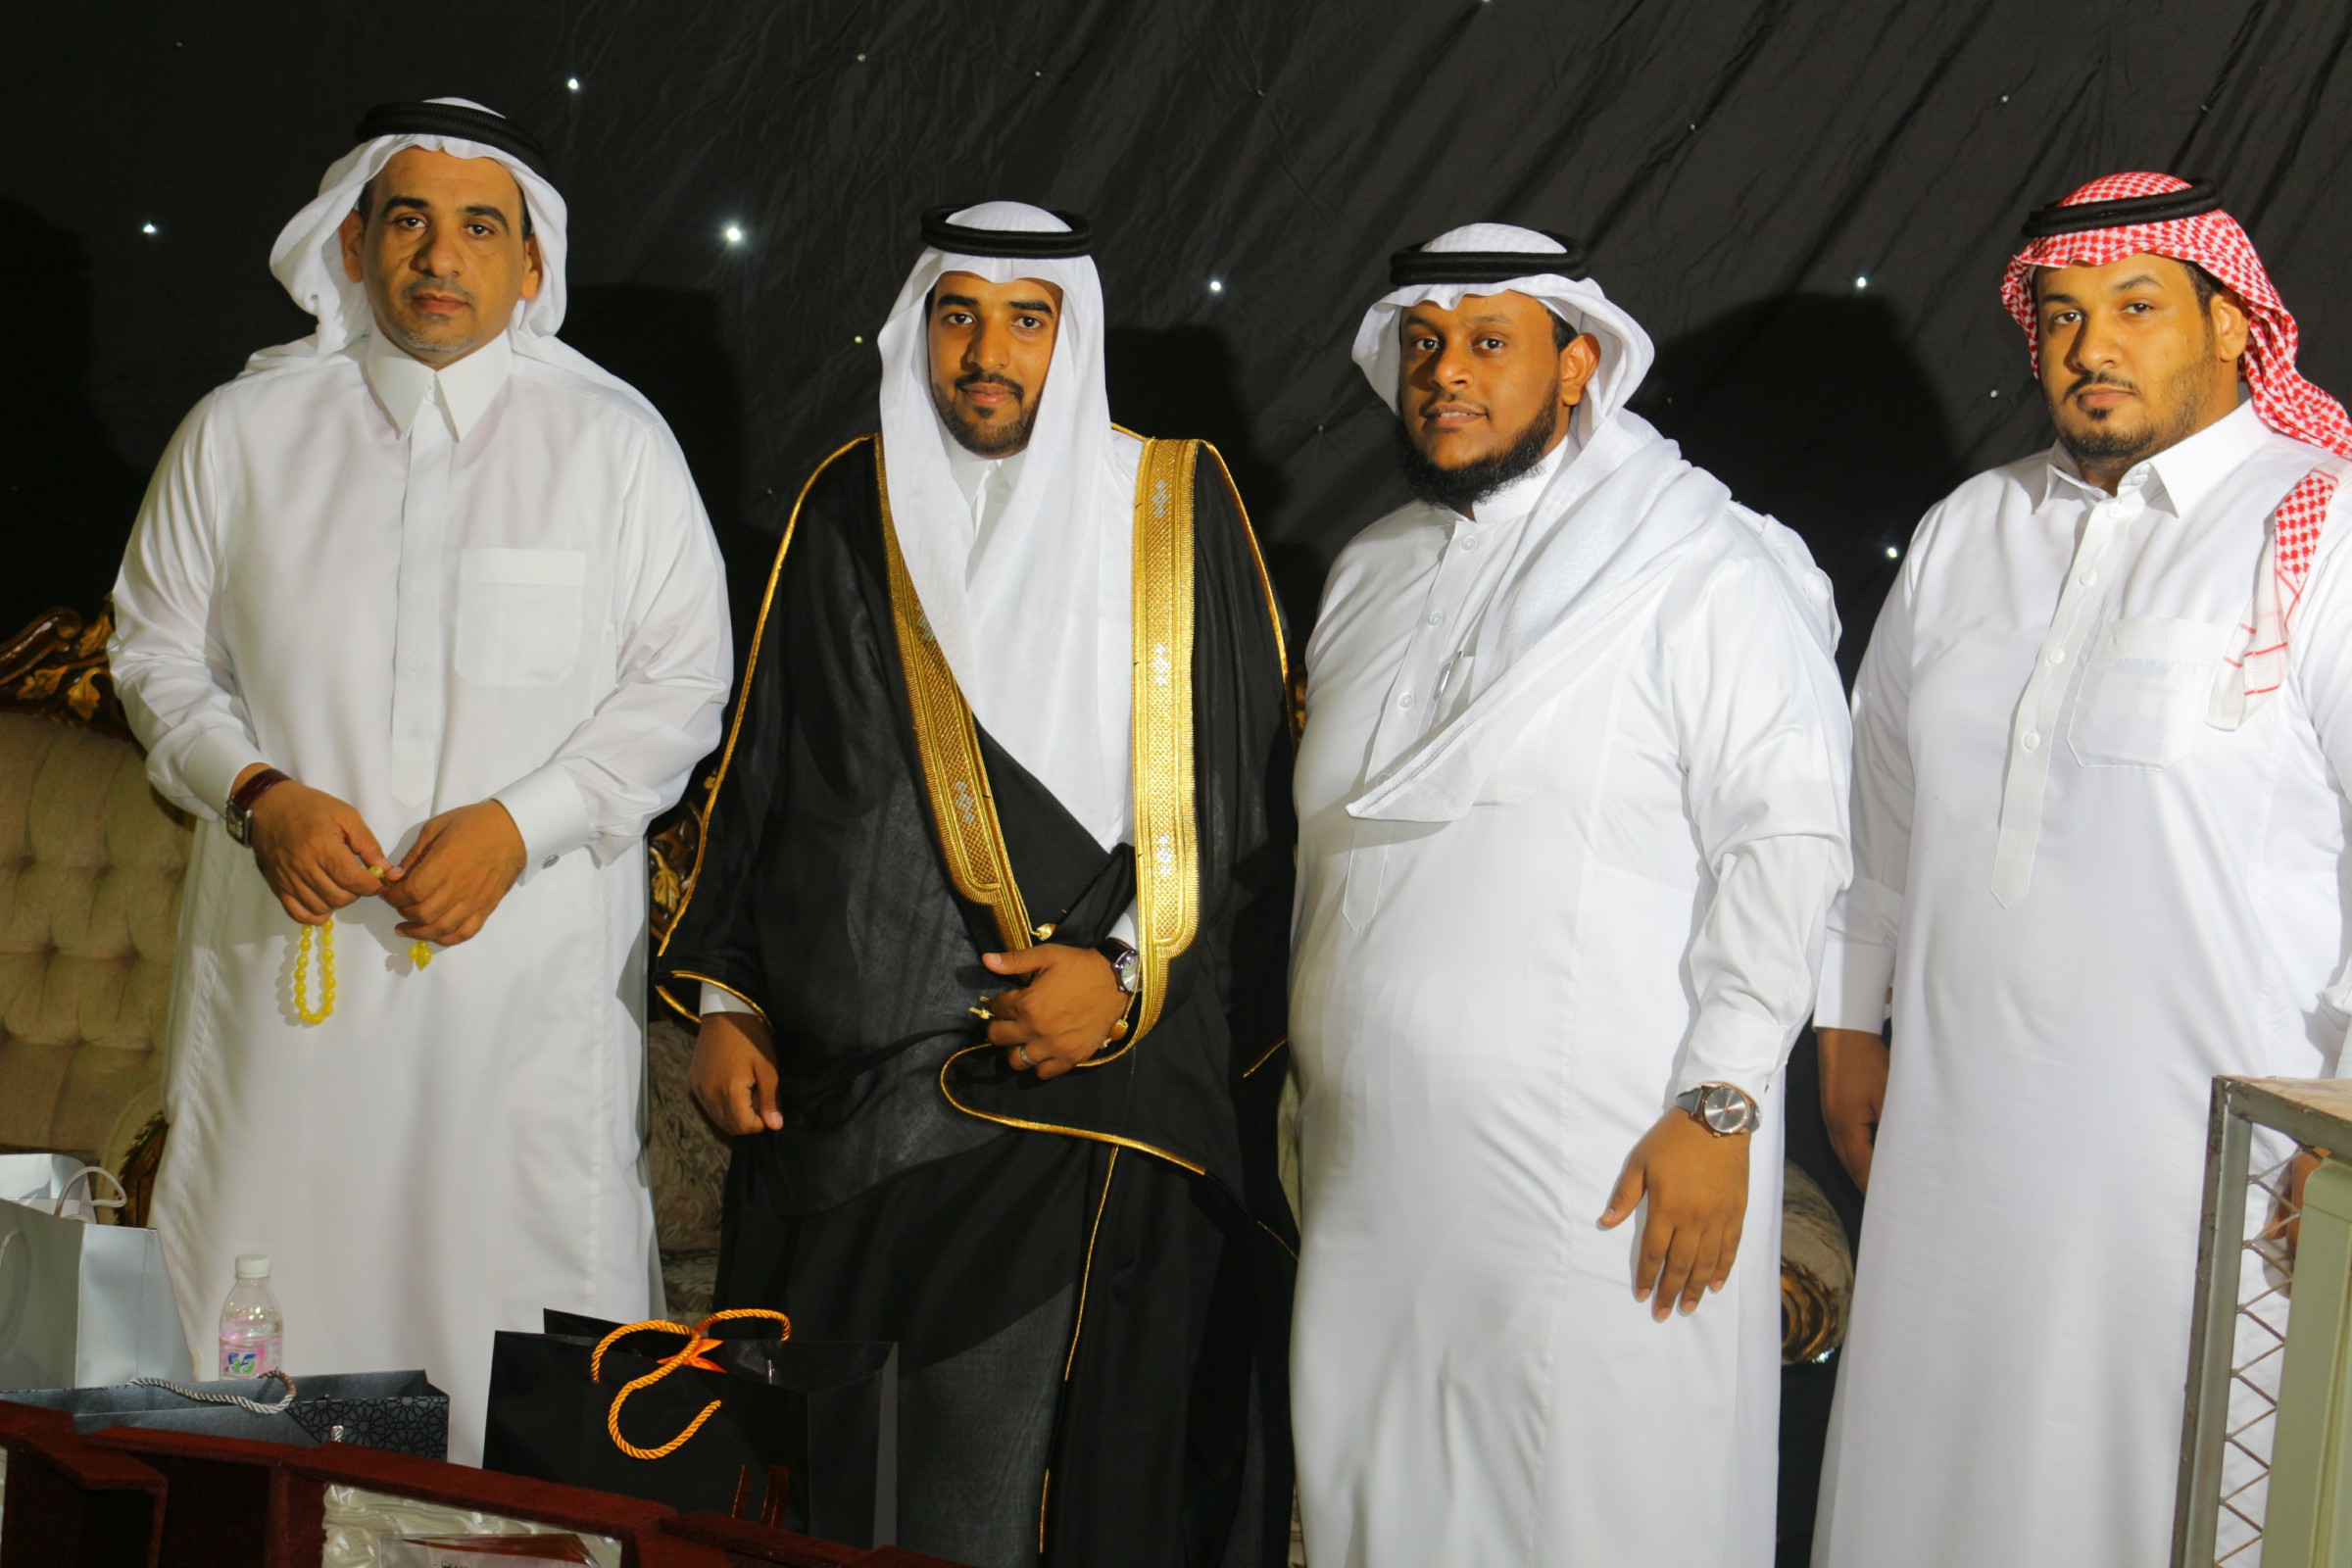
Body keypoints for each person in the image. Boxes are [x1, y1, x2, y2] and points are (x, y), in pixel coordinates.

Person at [655, 202, 1297, 1567]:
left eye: (1026, 320)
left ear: (1077, 336)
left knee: (999, 1476)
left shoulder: (1169, 504)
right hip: (844, 1092)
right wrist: (728, 1000)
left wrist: (1120, 978)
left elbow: (1237, 795)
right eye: (958, 316)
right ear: (918, 331)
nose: (986, 352)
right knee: (844, 1484)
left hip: (1079, 1074)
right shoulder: (850, 502)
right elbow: (768, 772)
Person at [109, 99, 731, 1462]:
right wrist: (259, 795)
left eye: (479, 228)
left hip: (521, 1000)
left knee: (518, 1336)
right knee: (264, 1320)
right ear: (352, 245)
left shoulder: (615, 444)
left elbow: (685, 685)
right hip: (292, 986)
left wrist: (520, 827)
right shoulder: (241, 432)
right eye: (408, 221)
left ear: (531, 262)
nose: (440, 258)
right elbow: (151, 654)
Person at [1287, 222, 1852, 1567]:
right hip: (1373, 1168)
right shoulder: (1368, 569)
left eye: (1491, 343)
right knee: (1381, 1508)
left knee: (1594, 1505)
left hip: (1611, 1158)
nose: (1446, 373)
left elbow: (1787, 840)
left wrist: (1722, 1105)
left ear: (1580, 361)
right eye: (1425, 344)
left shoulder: (1704, 564)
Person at [1810, 172, 2352, 1565]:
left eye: (2135, 306)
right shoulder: (1966, 531)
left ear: (2233, 322)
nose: (2091, 346)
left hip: (2225, 1164)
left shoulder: (2326, 526)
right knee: (1935, 1486)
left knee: (2175, 1486)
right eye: (2060, 315)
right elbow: (1878, 803)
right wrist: (1848, 1021)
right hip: (1954, 1135)